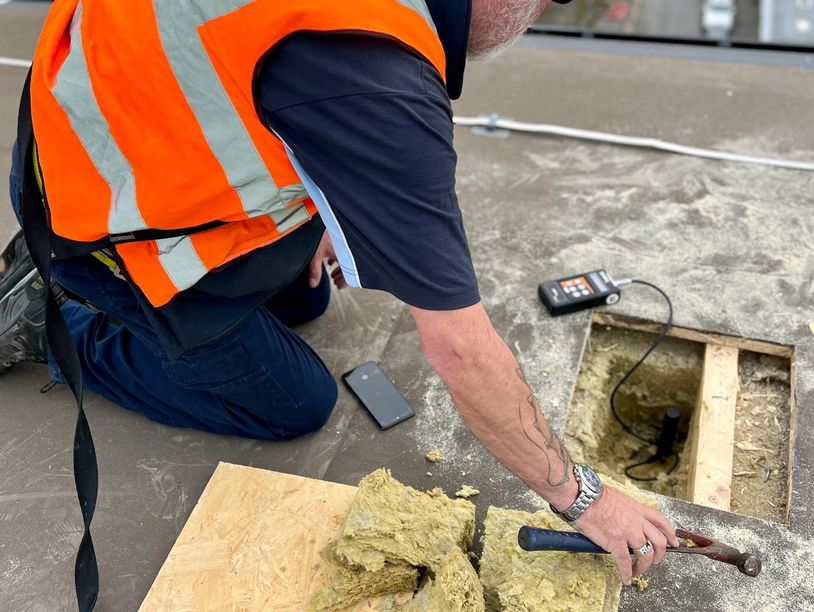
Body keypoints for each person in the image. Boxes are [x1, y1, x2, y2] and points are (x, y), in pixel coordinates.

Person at [3, 0, 677, 588]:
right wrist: (582, 498)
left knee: (311, 304)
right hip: (95, 210)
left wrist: (325, 212)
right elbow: (461, 349)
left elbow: (247, 76)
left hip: (120, 130)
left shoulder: (355, 44)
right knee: (297, 404)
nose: (540, 16)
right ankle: (55, 320)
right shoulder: (375, 76)